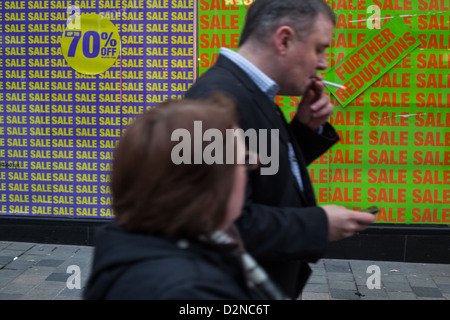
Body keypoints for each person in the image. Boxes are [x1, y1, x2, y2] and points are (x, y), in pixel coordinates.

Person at [184, 0, 376, 299]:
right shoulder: (215, 101)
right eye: (320, 48)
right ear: (284, 40)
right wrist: (318, 224)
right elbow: (216, 227)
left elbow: (263, 173)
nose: (324, 63)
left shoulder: (249, 92)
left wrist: (303, 130)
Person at [83, 94, 287, 300]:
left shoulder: (135, 248)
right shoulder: (191, 291)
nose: (255, 164)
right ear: (206, 184)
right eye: (244, 159)